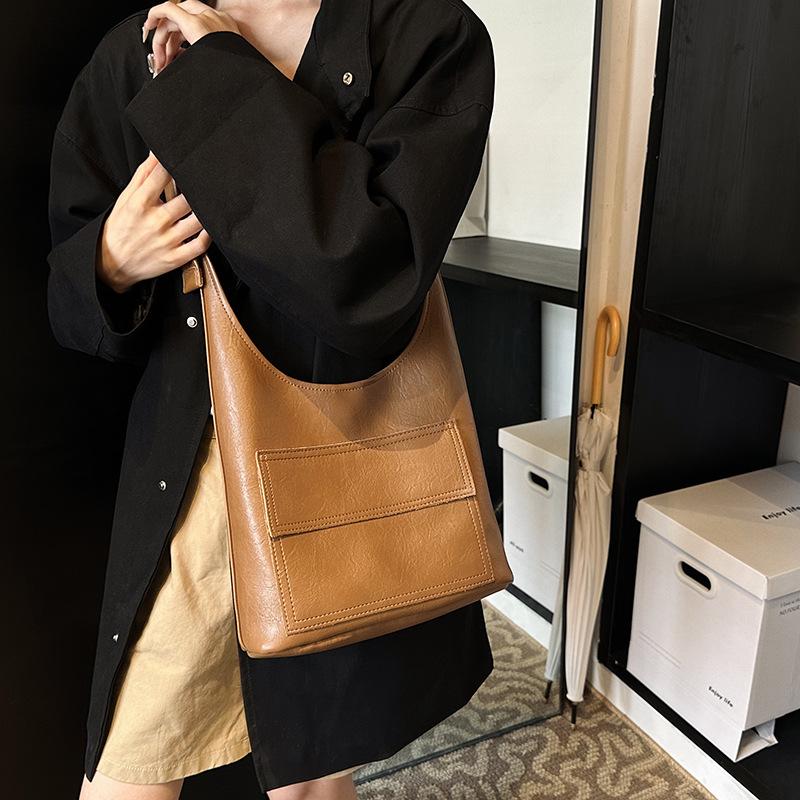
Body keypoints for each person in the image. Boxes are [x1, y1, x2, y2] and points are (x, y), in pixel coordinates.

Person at [46, 0, 496, 797]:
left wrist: (225, 72)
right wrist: (109, 262)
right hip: (192, 476)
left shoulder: (427, 36)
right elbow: (67, 296)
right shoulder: (135, 51)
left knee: (314, 774)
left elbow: (372, 277)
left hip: (350, 465)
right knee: (130, 762)